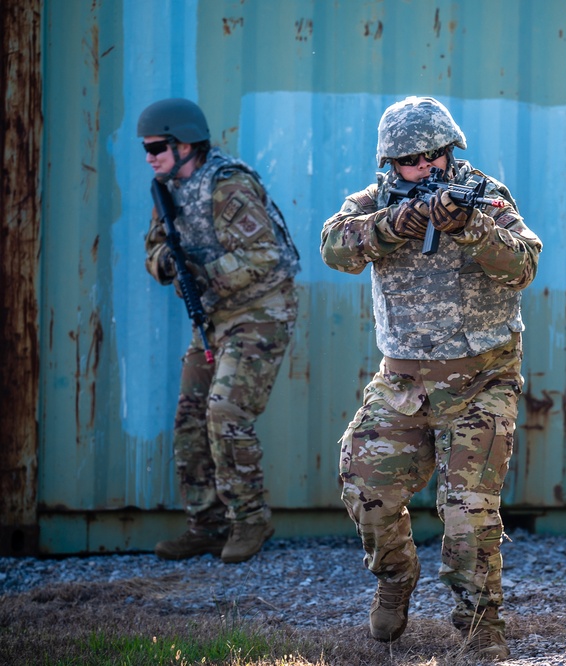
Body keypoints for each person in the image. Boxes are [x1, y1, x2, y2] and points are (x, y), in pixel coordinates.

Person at [320, 96, 542, 660]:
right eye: (411, 161)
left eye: (435, 156)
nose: (425, 168)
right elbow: (334, 247)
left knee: (468, 516)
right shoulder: (373, 202)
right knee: (365, 489)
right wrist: (392, 224)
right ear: (390, 165)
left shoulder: (486, 197)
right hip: (403, 384)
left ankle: (479, 629)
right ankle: (395, 575)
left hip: (481, 382)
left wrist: (473, 228)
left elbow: (524, 265)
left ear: (451, 152)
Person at [138, 98, 300, 564]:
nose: (149, 157)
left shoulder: (228, 185)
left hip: (260, 311)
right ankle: (206, 525)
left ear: (184, 143)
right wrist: (167, 262)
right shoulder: (165, 189)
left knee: (226, 411)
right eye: (146, 149)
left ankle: (250, 520)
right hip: (212, 318)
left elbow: (264, 257)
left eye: (155, 147)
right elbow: (154, 249)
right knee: (189, 419)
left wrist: (203, 273)